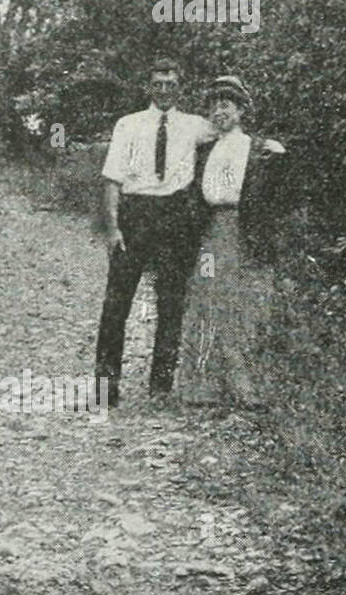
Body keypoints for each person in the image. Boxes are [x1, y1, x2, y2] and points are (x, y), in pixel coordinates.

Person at [94, 57, 215, 407]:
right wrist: (113, 228)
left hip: (175, 218)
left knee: (171, 303)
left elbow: (230, 130)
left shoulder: (195, 125)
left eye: (171, 84)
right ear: (148, 87)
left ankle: (160, 388)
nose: (164, 90)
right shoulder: (128, 125)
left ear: (180, 88)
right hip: (136, 214)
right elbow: (112, 180)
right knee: (117, 303)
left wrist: (265, 144)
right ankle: (105, 387)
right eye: (158, 84)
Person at [177, 76, 286, 408]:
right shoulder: (204, 148)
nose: (218, 111)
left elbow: (280, 191)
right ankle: (202, 387)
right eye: (213, 105)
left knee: (241, 304)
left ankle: (244, 387)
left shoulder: (257, 148)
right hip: (212, 229)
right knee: (207, 297)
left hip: (243, 228)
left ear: (240, 110)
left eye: (225, 105)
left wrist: (280, 157)